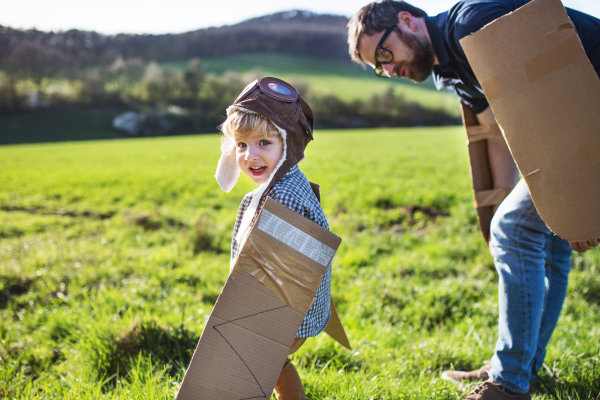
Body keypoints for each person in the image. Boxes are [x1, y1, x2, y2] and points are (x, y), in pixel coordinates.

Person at [347, 1, 600, 399]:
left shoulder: (475, 24)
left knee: (514, 231)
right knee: (538, 237)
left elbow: (551, 96)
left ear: (407, 20)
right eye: (379, 68)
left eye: (384, 54)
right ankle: (520, 366)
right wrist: (538, 211)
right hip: (577, 132)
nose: (389, 70)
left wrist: (578, 200)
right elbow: (503, 134)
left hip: (586, 116)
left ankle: (508, 383)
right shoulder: (451, 71)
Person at [215, 77, 331, 400]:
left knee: (263, 362)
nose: (251, 155)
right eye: (241, 145)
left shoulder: (284, 199)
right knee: (271, 361)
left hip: (286, 307)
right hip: (277, 302)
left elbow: (284, 268)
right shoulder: (280, 184)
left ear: (287, 144)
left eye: (263, 143)